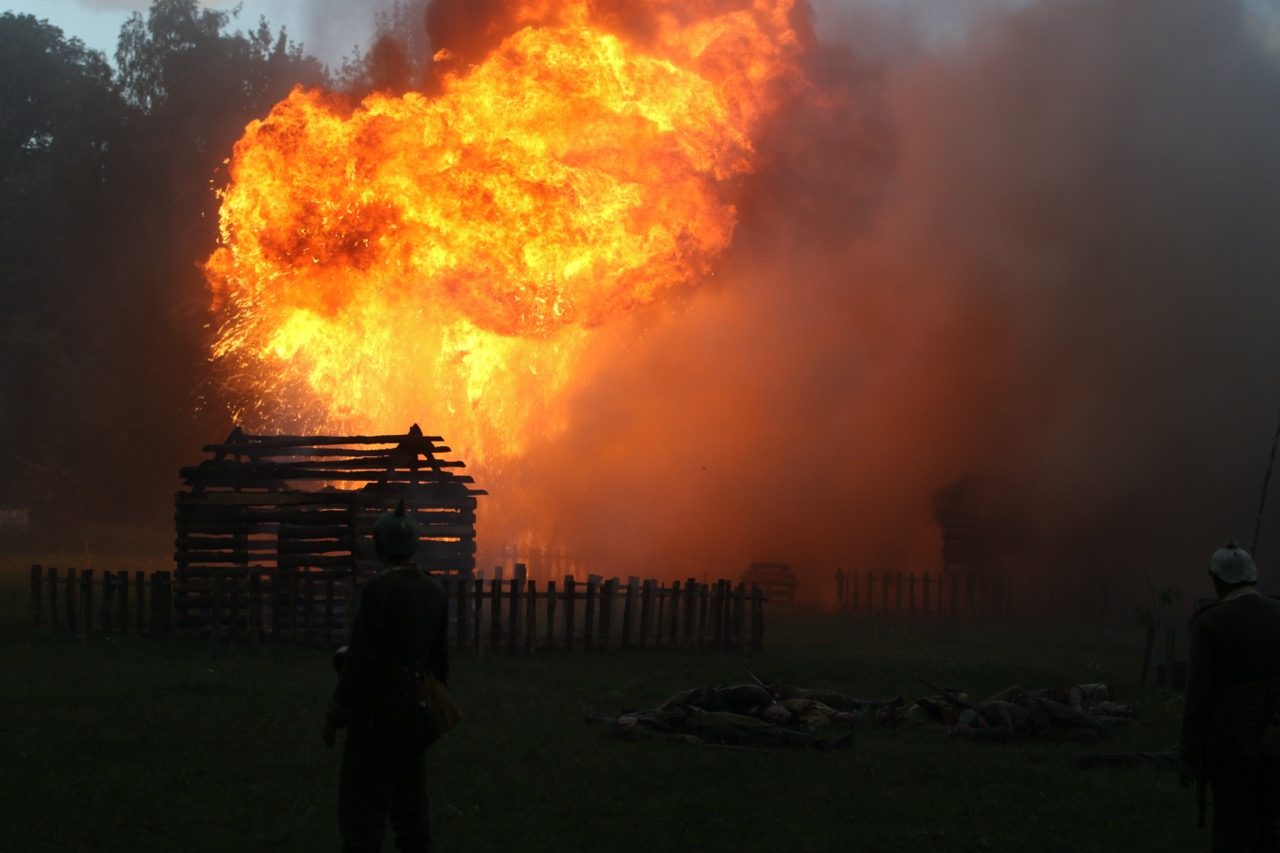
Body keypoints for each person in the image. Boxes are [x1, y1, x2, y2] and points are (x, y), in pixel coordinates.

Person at [323, 500, 450, 853]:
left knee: (363, 810)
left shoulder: (379, 590)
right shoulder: (435, 590)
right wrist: (432, 712)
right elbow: (439, 663)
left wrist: (336, 714)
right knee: (412, 809)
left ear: (379, 546)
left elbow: (360, 661)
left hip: (376, 716)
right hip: (415, 713)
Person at [1180, 539, 1280, 850]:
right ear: (1253, 576)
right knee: (1271, 823)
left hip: (1232, 740)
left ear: (1217, 580)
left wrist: (1189, 748)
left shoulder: (1210, 622)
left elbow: (1197, 695)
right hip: (1276, 736)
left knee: (1233, 827)